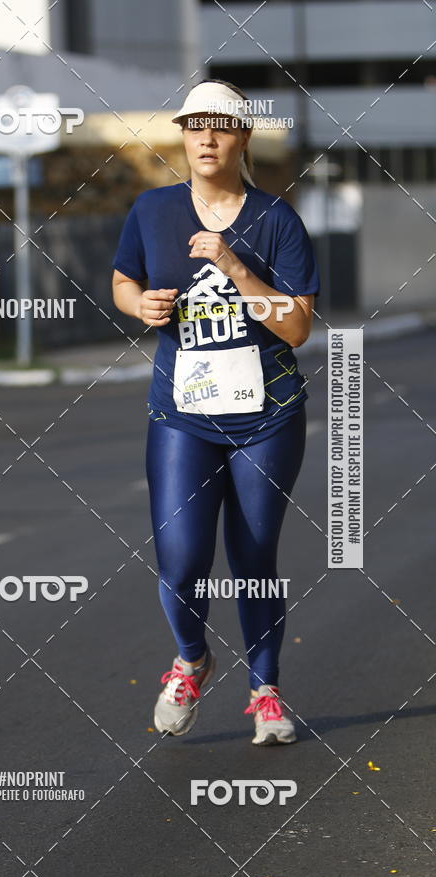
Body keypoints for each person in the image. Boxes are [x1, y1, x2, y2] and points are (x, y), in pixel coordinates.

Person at [111, 80, 320, 746]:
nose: (206, 137)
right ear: (182, 136)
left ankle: (265, 692)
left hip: (267, 417)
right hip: (184, 416)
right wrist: (135, 303)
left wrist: (233, 266)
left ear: (242, 137)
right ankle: (191, 660)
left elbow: (296, 329)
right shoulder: (152, 210)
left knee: (254, 557)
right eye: (194, 126)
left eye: (220, 126)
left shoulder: (278, 220)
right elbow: (123, 277)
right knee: (180, 558)